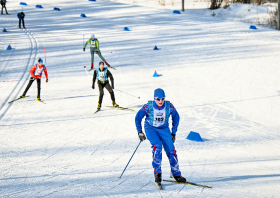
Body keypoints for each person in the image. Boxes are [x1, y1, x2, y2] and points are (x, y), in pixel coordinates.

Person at [135, 88, 186, 185]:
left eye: (163, 98)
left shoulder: (169, 107)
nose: (160, 101)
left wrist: (173, 133)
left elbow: (176, 117)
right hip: (151, 128)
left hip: (164, 129)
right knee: (157, 147)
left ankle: (177, 174)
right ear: (154, 98)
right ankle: (157, 173)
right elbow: (138, 117)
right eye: (158, 99)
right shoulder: (148, 107)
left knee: (171, 150)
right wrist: (140, 132)